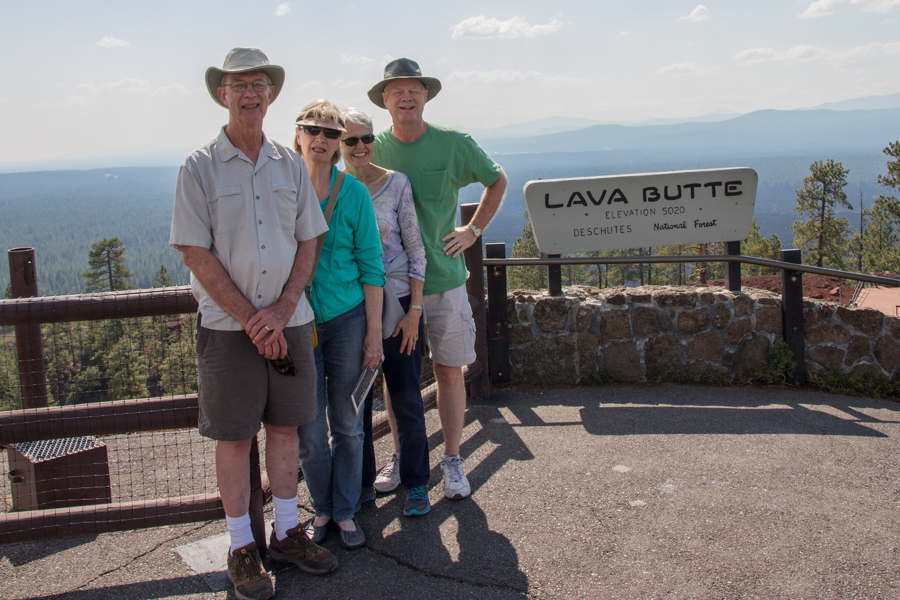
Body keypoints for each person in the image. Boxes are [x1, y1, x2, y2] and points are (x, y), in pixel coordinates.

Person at [169, 48, 337, 600]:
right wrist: (253, 320)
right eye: (239, 85)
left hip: (289, 321)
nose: (250, 94)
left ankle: (287, 533)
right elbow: (194, 251)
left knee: (287, 429)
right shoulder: (199, 166)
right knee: (235, 438)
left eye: (259, 85)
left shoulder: (289, 165)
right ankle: (243, 547)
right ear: (223, 93)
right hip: (226, 329)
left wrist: (284, 309)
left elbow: (309, 237)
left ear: (271, 95)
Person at [368, 58, 508, 500]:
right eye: (397, 91)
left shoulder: (453, 143)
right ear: (384, 100)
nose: (406, 97)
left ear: (425, 96)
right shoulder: (371, 149)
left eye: (414, 90)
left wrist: (474, 231)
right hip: (394, 285)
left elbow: (496, 179)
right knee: (397, 377)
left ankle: (451, 458)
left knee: (449, 371)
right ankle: (404, 454)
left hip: (444, 279)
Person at [292, 100, 385, 550]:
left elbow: (372, 267)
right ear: (298, 135)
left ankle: (345, 511)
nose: (322, 139)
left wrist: (373, 335)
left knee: (347, 423)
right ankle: (323, 508)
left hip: (348, 319)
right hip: (298, 322)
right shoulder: (283, 189)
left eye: (331, 132)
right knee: (309, 430)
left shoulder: (354, 195)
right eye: (313, 129)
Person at [340, 107, 431, 517]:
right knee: (355, 407)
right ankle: (361, 489)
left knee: (407, 398)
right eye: (351, 140)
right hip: (350, 310)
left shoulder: (396, 185)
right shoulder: (331, 189)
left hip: (397, 305)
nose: (361, 147)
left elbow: (416, 250)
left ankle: (416, 484)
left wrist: (415, 311)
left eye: (367, 138)